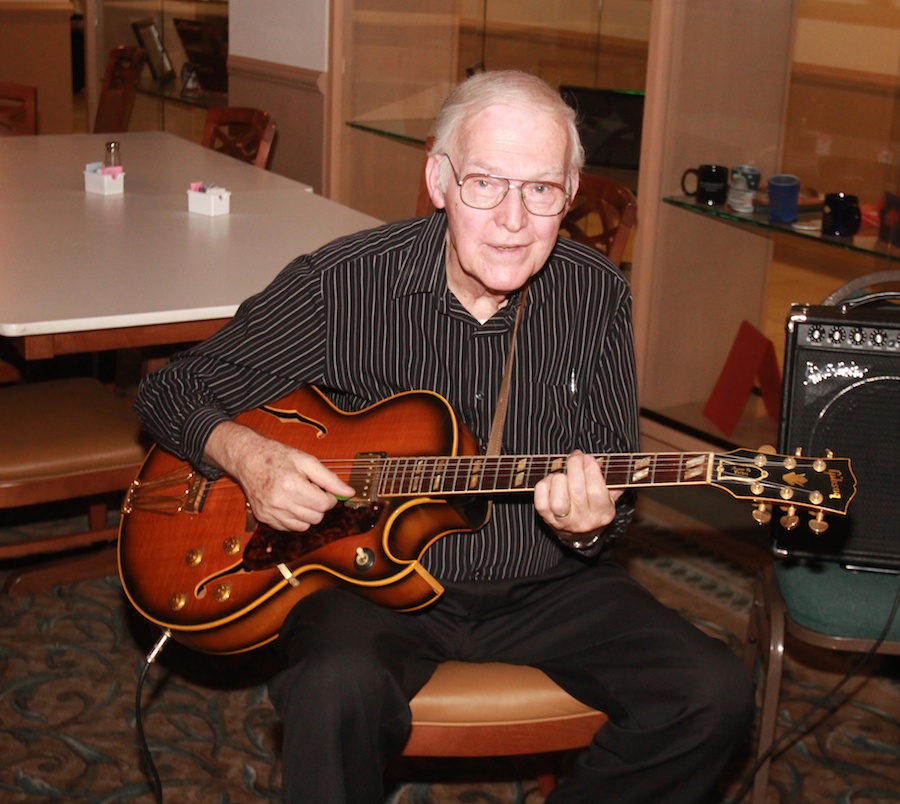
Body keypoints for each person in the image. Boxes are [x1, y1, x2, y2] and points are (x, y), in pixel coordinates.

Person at [135, 70, 755, 803]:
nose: (514, 220)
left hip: (543, 583)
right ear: (438, 179)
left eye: (541, 190)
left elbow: (609, 491)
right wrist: (249, 455)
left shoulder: (596, 296)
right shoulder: (345, 284)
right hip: (366, 588)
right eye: (487, 183)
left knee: (713, 693)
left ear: (570, 192)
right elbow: (172, 388)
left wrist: (591, 524)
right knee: (336, 685)